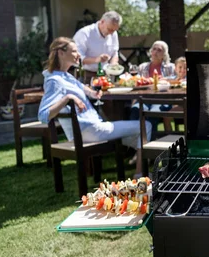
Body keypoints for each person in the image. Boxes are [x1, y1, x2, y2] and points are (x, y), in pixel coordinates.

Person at [38, 37, 151, 177]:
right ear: (61, 53)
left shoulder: (66, 76)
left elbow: (86, 90)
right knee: (145, 126)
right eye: (74, 51)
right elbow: (43, 115)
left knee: (138, 136)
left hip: (87, 130)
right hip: (90, 130)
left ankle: (143, 165)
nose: (78, 55)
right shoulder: (54, 81)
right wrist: (68, 98)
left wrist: (93, 91)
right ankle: (140, 174)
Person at [129, 41, 176, 140]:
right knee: (135, 110)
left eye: (159, 50)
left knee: (152, 115)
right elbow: (137, 83)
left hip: (163, 99)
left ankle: (149, 143)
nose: (155, 52)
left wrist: (164, 80)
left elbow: (176, 81)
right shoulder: (143, 66)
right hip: (145, 98)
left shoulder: (170, 67)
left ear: (164, 55)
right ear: (150, 52)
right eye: (154, 49)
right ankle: (133, 142)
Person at [73, 11, 122, 80]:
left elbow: (115, 52)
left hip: (106, 75)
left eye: (114, 30)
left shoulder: (113, 33)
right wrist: (96, 60)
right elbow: (76, 58)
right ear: (102, 22)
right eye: (109, 29)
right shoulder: (84, 33)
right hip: (86, 75)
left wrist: (113, 64)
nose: (111, 33)